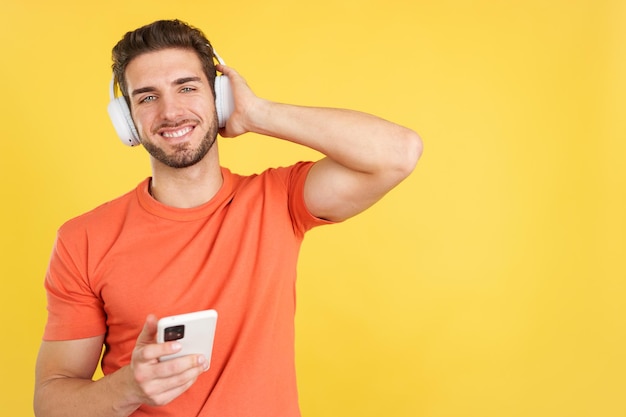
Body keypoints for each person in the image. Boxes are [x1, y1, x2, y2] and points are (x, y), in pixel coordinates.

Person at [33, 19, 422, 417]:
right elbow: (50, 403)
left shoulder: (278, 200)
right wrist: (128, 387)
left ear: (219, 98)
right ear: (128, 120)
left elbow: (399, 153)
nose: (170, 112)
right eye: (147, 97)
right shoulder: (82, 239)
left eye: (187, 87)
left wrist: (257, 114)